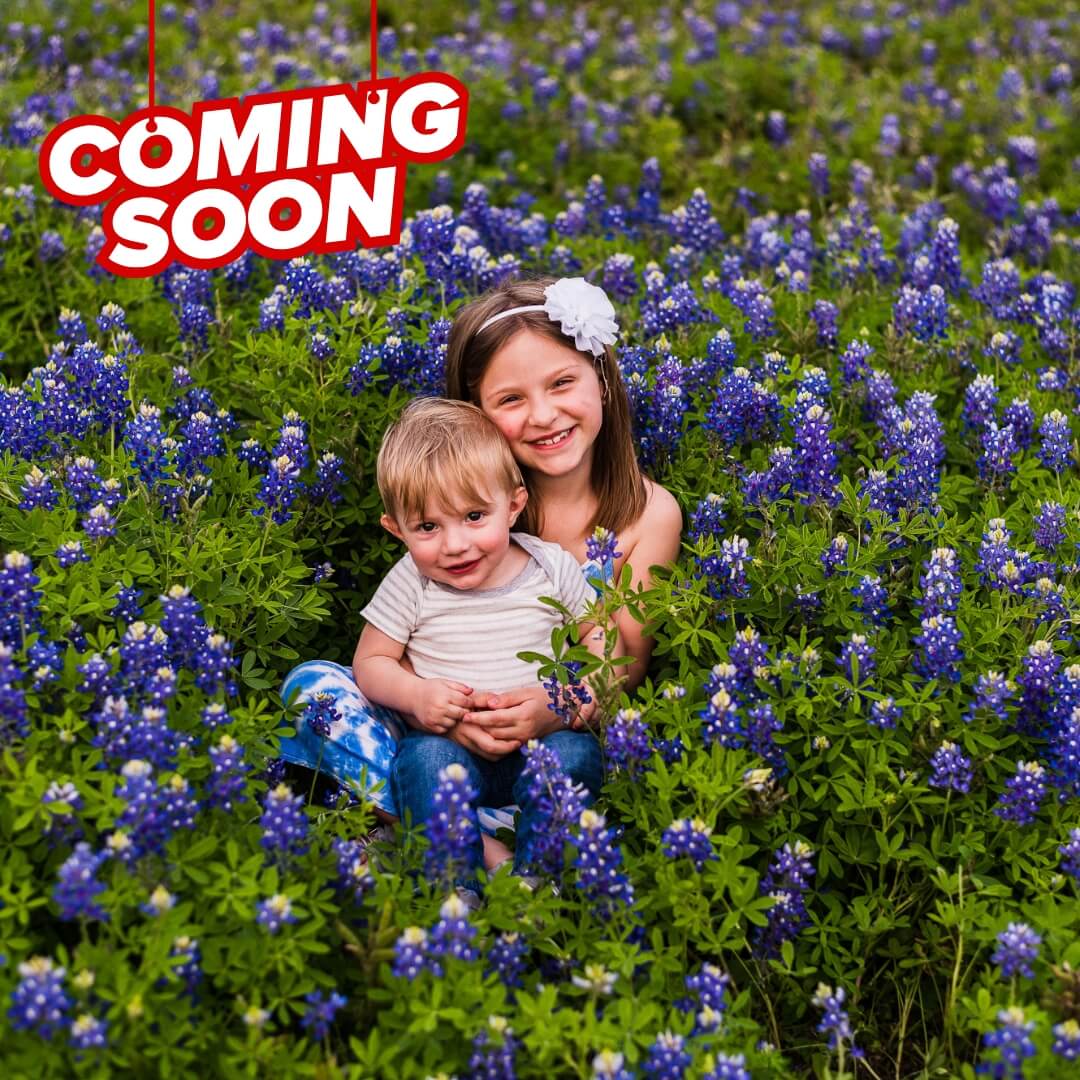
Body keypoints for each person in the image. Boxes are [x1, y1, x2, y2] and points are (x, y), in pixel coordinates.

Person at [275, 276, 682, 861]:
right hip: (437, 733)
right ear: (478, 415)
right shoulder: (460, 508)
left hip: (553, 735)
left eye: (563, 382)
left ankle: (433, 831)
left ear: (604, 380)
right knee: (313, 689)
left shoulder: (649, 514)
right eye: (511, 399)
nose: (544, 414)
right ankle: (484, 848)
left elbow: (620, 662)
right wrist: (438, 713)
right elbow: (407, 640)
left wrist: (550, 710)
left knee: (577, 761)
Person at [352, 396, 609, 882]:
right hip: (452, 753)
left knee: (578, 756)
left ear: (514, 505)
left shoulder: (550, 566)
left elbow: (596, 633)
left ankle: (538, 880)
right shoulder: (411, 581)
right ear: (396, 530)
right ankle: (455, 887)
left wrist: (574, 695)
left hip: (542, 741)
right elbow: (371, 661)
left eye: (474, 517)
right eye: (427, 526)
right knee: (421, 760)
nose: (455, 544)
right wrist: (417, 694)